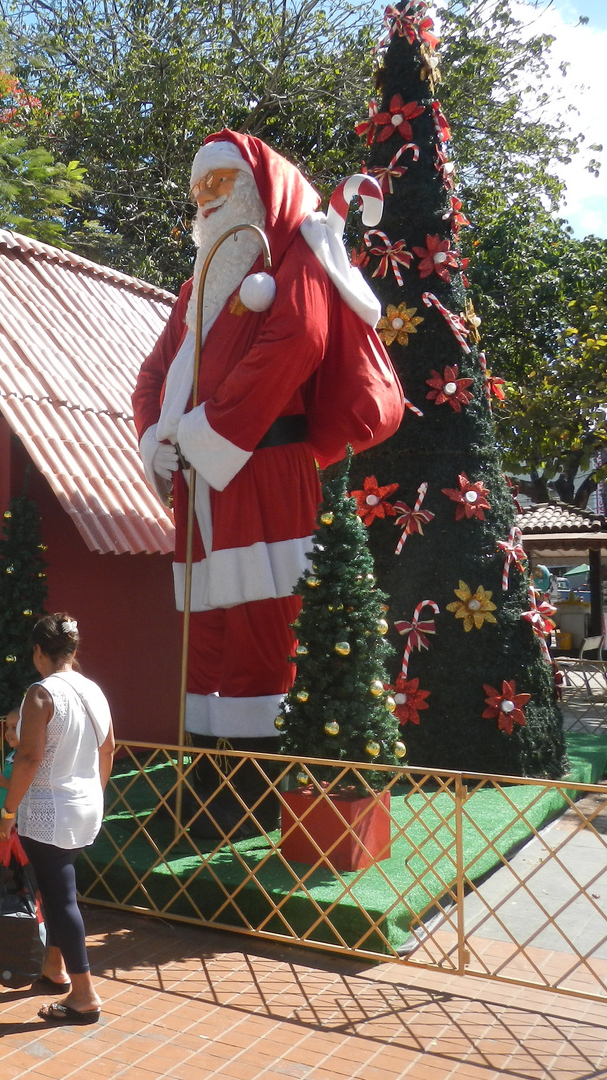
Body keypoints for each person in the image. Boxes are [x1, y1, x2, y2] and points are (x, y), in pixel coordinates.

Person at [130, 131, 394, 834]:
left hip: (264, 470)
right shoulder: (196, 288)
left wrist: (200, 433)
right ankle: (209, 764)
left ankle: (252, 781)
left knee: (261, 620)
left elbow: (296, 343)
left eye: (219, 185)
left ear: (256, 186)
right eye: (198, 190)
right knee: (207, 625)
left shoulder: (298, 253)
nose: (206, 201)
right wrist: (154, 438)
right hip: (202, 482)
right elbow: (153, 375)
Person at [0, 613, 114, 1025]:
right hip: (84, 805)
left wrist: (8, 811)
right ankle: (55, 967)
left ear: (38, 652)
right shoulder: (93, 689)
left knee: (61, 898)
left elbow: (27, 758)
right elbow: (109, 749)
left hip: (49, 810)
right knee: (53, 888)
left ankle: (84, 995)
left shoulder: (41, 694)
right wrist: (95, 794)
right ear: (73, 650)